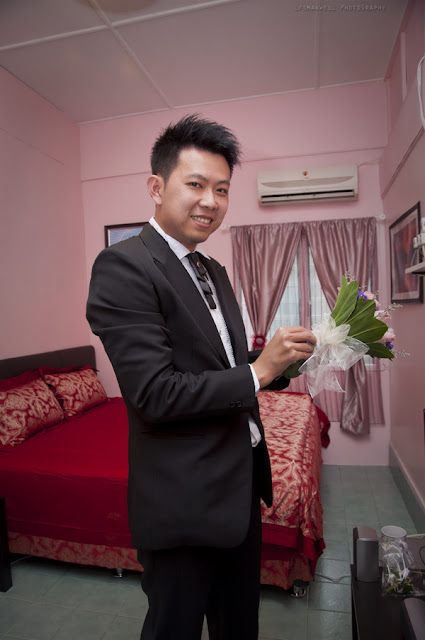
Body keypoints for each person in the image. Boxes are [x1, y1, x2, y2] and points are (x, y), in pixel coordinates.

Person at [86, 114, 316, 640]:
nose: (210, 201)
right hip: (183, 498)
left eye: (222, 189)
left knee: (239, 625)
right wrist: (259, 370)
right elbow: (155, 393)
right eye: (195, 184)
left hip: (239, 485)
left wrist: (284, 362)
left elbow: (223, 365)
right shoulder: (124, 266)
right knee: (176, 629)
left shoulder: (212, 270)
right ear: (156, 187)